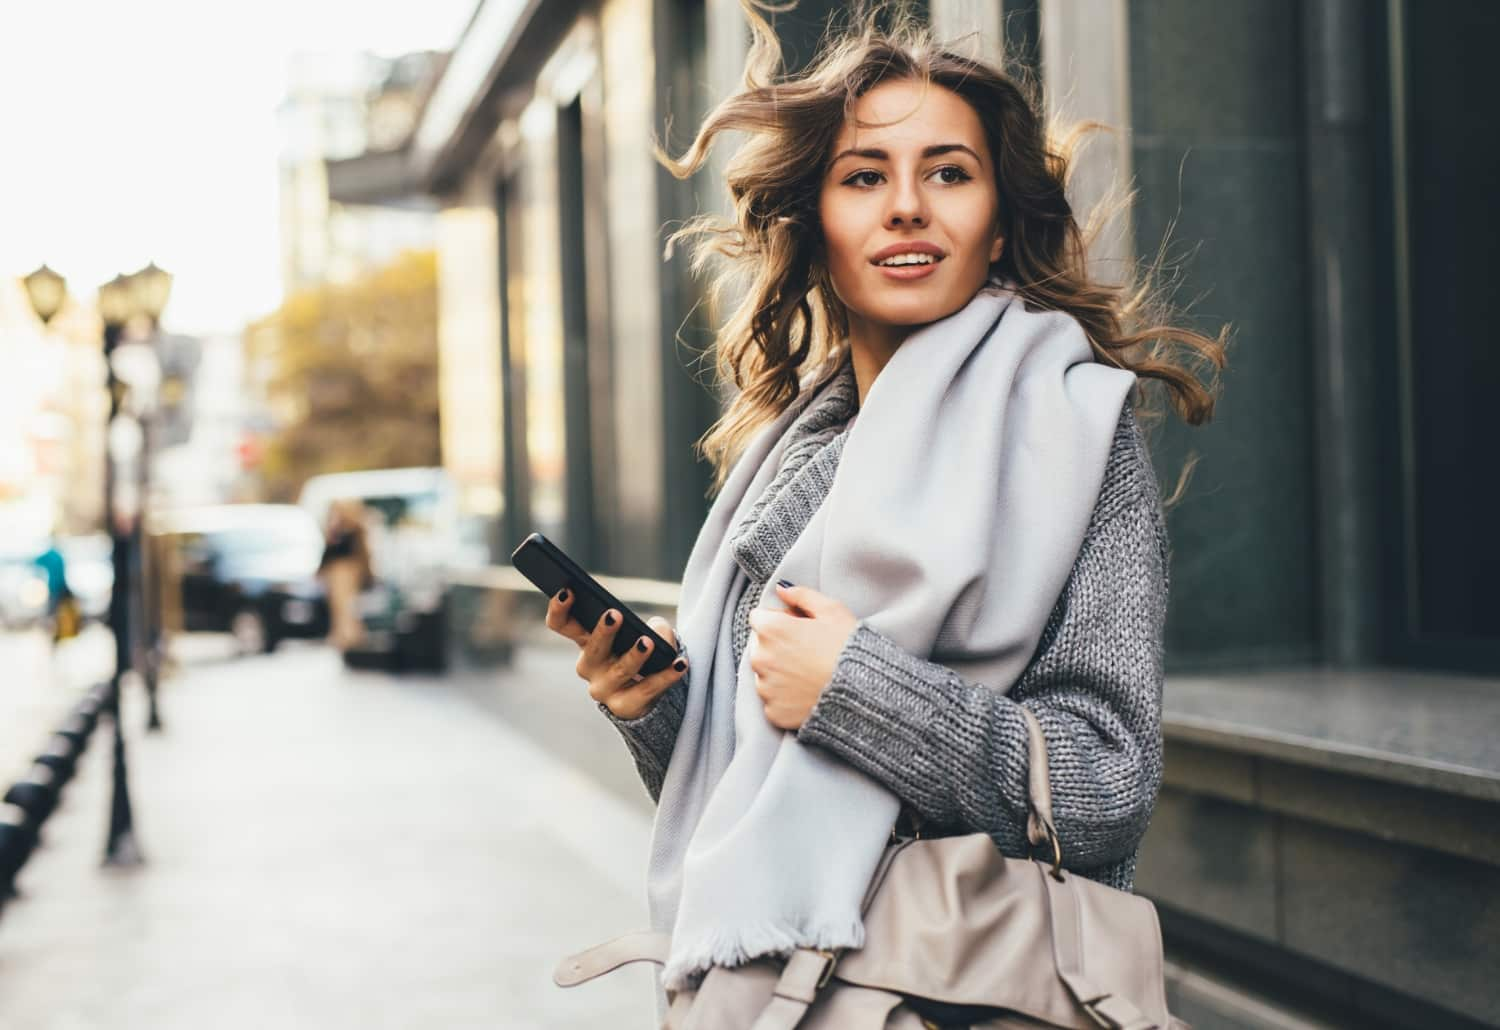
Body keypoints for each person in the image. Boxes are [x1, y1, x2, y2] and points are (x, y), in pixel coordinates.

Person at [542, 0, 1225, 999]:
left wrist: (857, 690)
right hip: (773, 990)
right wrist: (663, 714)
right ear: (819, 228)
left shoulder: (1073, 430)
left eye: (948, 172)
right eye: (865, 177)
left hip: (956, 993)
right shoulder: (783, 457)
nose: (907, 207)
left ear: (998, 228)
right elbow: (755, 804)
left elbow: (1105, 787)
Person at [317, 498, 372, 652]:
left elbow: (357, 555)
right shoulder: (336, 530)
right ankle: (343, 636)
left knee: (346, 608)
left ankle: (350, 636)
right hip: (337, 575)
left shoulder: (351, 530)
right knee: (340, 608)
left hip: (346, 575)